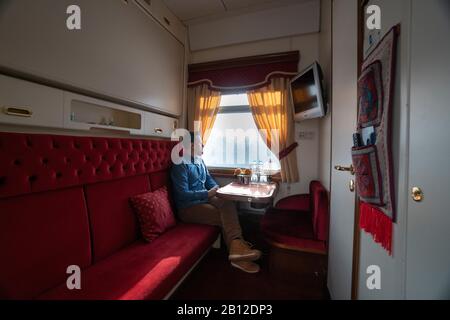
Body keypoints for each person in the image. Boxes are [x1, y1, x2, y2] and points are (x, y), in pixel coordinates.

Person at [170, 132, 262, 273]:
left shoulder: (200, 161)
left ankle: (237, 250)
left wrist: (217, 189)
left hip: (205, 198)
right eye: (201, 143)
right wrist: (207, 193)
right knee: (225, 218)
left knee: (227, 203)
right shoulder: (180, 165)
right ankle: (239, 255)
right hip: (188, 207)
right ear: (193, 146)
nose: (203, 146)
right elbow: (182, 195)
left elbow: (208, 180)